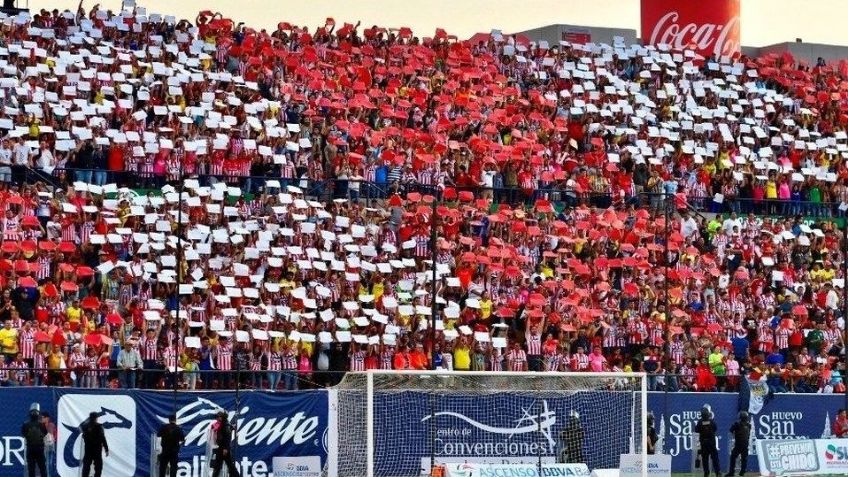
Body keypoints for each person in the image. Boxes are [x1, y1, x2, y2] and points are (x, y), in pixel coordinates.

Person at [21, 403, 47, 477]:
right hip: (39, 449)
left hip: (31, 448)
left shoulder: (25, 424)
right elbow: (45, 433)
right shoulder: (42, 424)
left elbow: (23, 434)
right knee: (42, 468)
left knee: (31, 469)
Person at [211, 411, 240, 477]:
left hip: (223, 448)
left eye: (218, 417)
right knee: (222, 465)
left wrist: (225, 448)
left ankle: (236, 475)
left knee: (227, 465)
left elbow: (227, 437)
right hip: (222, 448)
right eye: (217, 417)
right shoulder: (224, 424)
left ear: (222, 417)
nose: (217, 418)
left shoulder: (225, 425)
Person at [81, 412, 109, 477]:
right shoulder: (99, 426)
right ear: (96, 418)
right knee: (98, 467)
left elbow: (83, 436)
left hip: (88, 450)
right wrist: (106, 449)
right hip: (97, 450)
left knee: (86, 467)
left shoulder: (85, 427)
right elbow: (103, 438)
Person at [695, 405, 720, 477]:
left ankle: (706, 473)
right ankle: (718, 472)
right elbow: (715, 428)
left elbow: (696, 430)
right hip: (711, 443)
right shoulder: (712, 422)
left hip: (703, 443)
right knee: (715, 458)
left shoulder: (700, 422)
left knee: (705, 459)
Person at [726, 411, 752, 477]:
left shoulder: (737, 424)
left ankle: (731, 472)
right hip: (745, 445)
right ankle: (742, 472)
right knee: (744, 459)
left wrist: (734, 434)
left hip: (738, 445)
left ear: (740, 417)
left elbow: (730, 430)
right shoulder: (749, 425)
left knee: (733, 457)